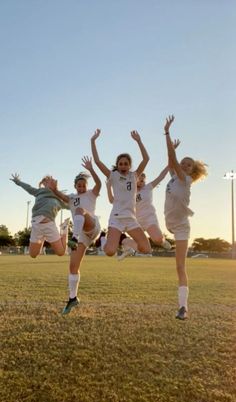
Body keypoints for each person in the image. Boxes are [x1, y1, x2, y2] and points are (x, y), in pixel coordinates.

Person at [164, 115, 208, 320]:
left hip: (181, 226)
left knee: (180, 266)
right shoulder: (174, 177)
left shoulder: (186, 180)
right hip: (168, 222)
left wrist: (167, 132)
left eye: (188, 164)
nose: (184, 165)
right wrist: (170, 145)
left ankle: (183, 307)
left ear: (193, 171)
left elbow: (172, 160)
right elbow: (170, 160)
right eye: (183, 163)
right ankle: (161, 242)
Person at [48, 156, 101, 314]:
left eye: (84, 185)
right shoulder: (71, 198)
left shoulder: (91, 194)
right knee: (73, 266)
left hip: (92, 227)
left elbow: (98, 183)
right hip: (82, 235)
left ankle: (74, 238)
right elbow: (61, 196)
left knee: (80, 211)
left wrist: (91, 169)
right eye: (79, 185)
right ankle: (73, 298)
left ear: (86, 186)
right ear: (75, 186)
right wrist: (53, 188)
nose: (81, 188)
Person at [91, 128, 152, 257]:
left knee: (146, 249)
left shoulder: (134, 176)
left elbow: (146, 159)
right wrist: (93, 141)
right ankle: (103, 240)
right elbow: (97, 161)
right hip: (117, 218)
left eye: (126, 164)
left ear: (129, 165)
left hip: (131, 218)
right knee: (110, 252)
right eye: (120, 164)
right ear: (117, 166)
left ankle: (126, 245)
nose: (123, 166)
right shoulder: (112, 175)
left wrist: (139, 141)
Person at [10, 174, 70, 258]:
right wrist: (18, 181)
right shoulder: (39, 191)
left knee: (61, 252)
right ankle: (42, 238)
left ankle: (64, 229)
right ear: (44, 183)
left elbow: (71, 206)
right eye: (46, 180)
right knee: (33, 254)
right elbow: (28, 187)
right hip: (36, 225)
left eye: (50, 180)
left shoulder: (59, 197)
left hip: (49, 225)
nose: (48, 181)